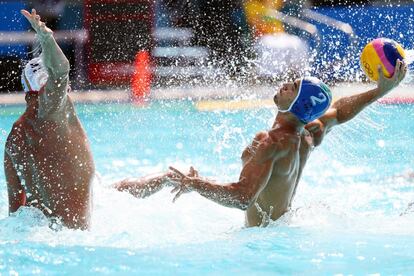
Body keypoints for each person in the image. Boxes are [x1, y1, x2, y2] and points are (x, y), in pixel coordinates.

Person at [169, 62, 407, 227]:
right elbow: (339, 111)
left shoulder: (271, 142)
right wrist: (379, 91)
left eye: (293, 88)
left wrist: (197, 185)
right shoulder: (307, 134)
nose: (284, 85)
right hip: (281, 229)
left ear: (300, 104)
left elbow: (243, 198)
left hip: (259, 242)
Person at [4, 9, 94, 229]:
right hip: (77, 241)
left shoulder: (13, 141)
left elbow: (16, 213)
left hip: (43, 237)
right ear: (36, 94)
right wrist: (46, 37)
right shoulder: (51, 111)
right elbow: (61, 72)